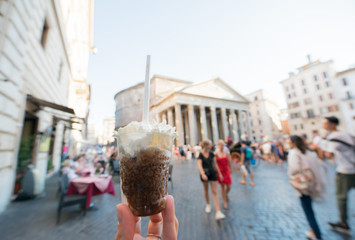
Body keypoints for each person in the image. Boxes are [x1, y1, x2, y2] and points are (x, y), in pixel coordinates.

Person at [319, 116, 355, 234]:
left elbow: (328, 155)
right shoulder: (346, 134)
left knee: (341, 197)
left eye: (326, 124)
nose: (324, 126)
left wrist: (321, 143)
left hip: (345, 171)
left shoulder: (334, 137)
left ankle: (343, 223)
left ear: (333, 124)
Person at [288, 135, 326, 240]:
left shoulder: (294, 153)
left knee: (308, 210)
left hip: (303, 184)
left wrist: (291, 177)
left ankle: (316, 234)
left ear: (292, 142)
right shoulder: (310, 152)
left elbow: (294, 169)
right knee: (309, 208)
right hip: (312, 183)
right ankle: (312, 231)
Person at [197, 140, 226, 220]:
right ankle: (208, 204)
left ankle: (218, 211)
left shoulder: (212, 153)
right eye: (209, 144)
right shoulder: (200, 154)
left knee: (215, 191)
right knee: (206, 190)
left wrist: (219, 174)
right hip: (205, 174)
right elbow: (199, 165)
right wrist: (202, 174)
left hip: (212, 173)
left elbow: (215, 164)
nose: (211, 146)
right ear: (206, 145)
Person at [215, 140, 233, 209]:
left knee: (229, 186)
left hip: (226, 170)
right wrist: (218, 173)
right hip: (220, 171)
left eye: (222, 145)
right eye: (220, 145)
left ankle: (226, 195)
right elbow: (215, 163)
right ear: (218, 146)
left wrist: (230, 168)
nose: (221, 147)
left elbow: (229, 159)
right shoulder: (216, 152)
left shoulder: (226, 150)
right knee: (222, 186)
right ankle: (224, 201)